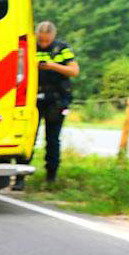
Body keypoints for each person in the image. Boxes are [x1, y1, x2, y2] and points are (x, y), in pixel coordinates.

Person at [34, 20, 79, 185]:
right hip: (33, 97)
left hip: (56, 99)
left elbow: (74, 71)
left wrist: (52, 66)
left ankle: (51, 176)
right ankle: (20, 177)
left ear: (53, 36)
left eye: (47, 40)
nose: (43, 43)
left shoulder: (62, 48)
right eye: (41, 40)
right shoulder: (31, 46)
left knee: (52, 139)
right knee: (30, 138)